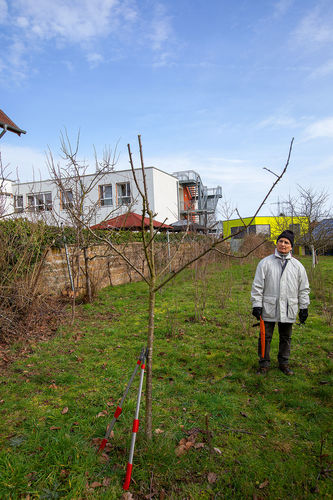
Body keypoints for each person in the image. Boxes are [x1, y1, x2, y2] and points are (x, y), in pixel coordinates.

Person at [251, 230, 310, 375]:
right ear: (277, 243)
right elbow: (257, 286)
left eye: (287, 242)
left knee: (286, 337)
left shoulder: (298, 266)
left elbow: (304, 289)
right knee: (265, 337)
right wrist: (256, 304)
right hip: (268, 307)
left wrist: (304, 307)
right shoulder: (265, 263)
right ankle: (264, 364)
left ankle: (284, 363)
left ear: (291, 247)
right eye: (281, 241)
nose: (283, 244)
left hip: (289, 308)